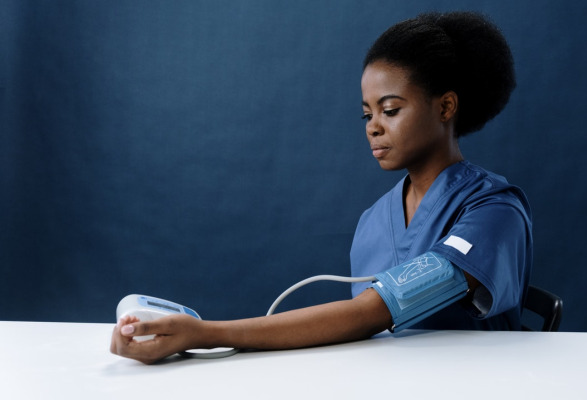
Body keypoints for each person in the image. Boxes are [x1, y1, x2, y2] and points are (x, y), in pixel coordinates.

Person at [111, 11, 532, 364]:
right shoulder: (374, 221)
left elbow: (370, 313)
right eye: (366, 114)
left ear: (445, 106)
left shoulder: (494, 213)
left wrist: (203, 334)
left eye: (390, 109)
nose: (373, 128)